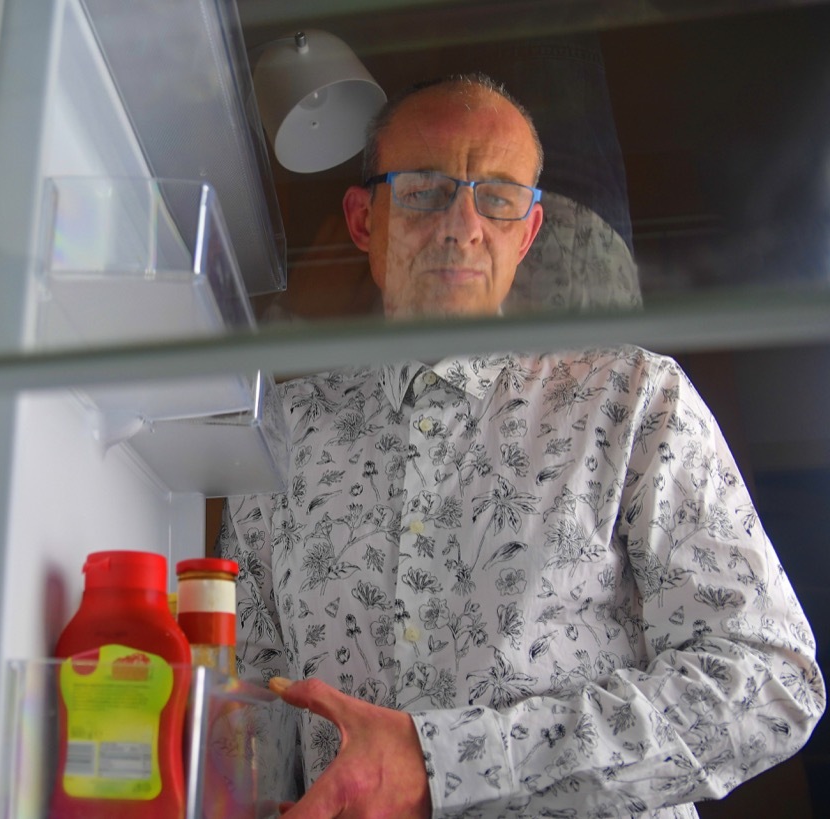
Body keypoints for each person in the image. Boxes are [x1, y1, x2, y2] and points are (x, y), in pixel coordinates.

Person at [216, 73, 824, 817]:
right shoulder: (281, 433)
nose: (460, 224)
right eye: (422, 189)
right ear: (362, 217)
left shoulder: (634, 400)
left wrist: (442, 763)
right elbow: (249, 720)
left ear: (526, 232)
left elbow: (770, 683)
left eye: (497, 196)